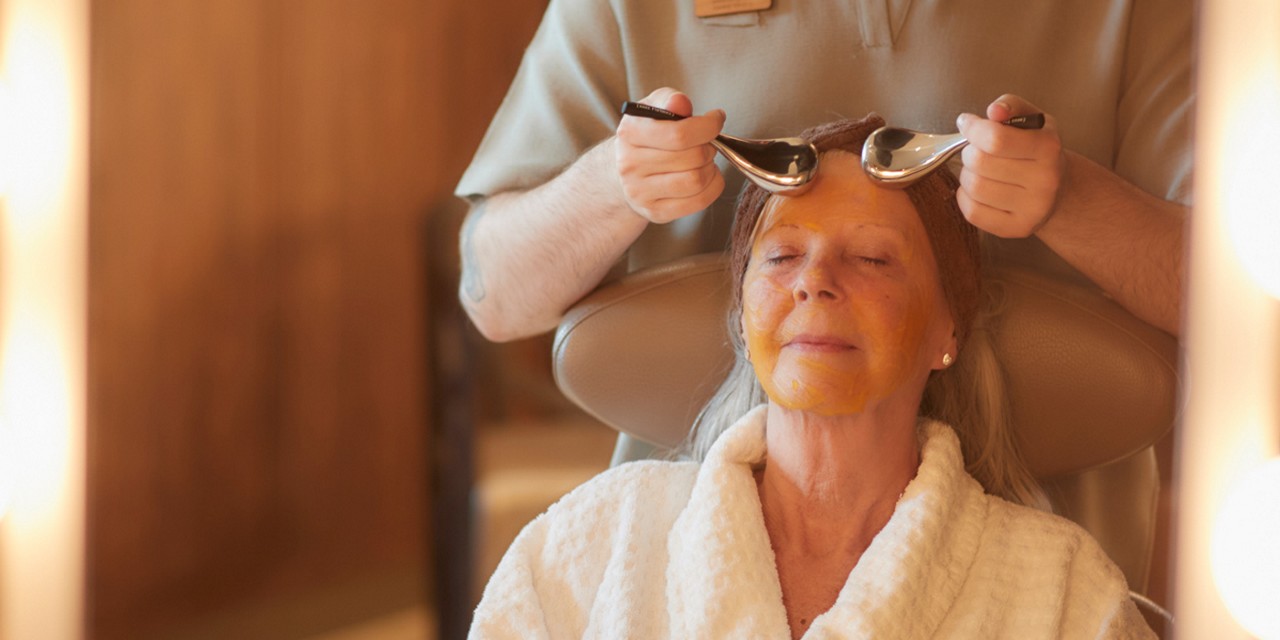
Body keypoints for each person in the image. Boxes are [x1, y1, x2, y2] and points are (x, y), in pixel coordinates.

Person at [468, 117, 1154, 639]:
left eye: (874, 259)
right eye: (783, 256)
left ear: (950, 327)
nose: (815, 283)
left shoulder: (1062, 593)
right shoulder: (594, 545)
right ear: (742, 317)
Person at [456, 0, 1192, 343]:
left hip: (1046, 561)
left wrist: (1067, 200)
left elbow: (1247, 308)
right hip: (699, 555)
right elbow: (494, 300)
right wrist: (614, 185)